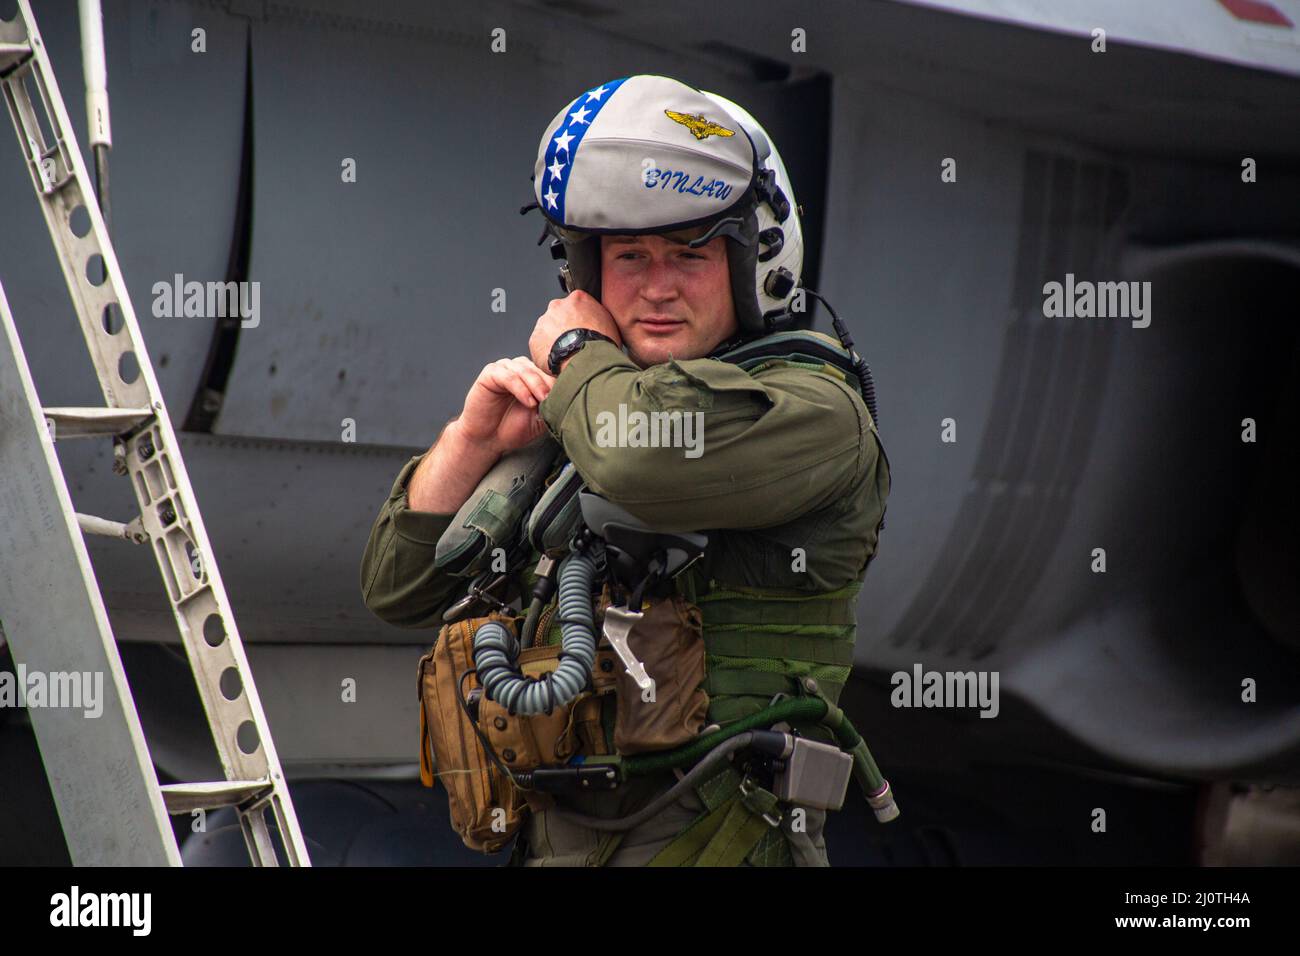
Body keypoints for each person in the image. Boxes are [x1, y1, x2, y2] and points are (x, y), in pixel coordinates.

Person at [360, 74, 890, 866]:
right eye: (629, 257)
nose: (657, 286)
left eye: (690, 254)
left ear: (754, 261)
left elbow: (640, 458)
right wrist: (473, 440)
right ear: (584, 273)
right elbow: (398, 588)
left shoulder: (813, 411)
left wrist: (575, 356)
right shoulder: (588, 410)